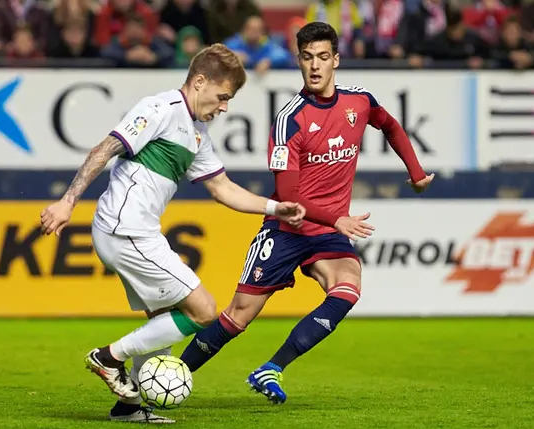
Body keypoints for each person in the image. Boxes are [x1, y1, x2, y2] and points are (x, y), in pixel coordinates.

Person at [39, 43, 306, 423]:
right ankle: (108, 358)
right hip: (125, 229)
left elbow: (223, 189)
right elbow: (103, 149)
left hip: (136, 231)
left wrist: (275, 208)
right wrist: (67, 202)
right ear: (199, 82)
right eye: (222, 96)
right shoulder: (159, 108)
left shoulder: (196, 134)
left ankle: (129, 407)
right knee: (204, 311)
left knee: (163, 319)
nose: (224, 107)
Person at [178, 22, 434, 404]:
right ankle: (172, 374)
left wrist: (415, 173)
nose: (315, 66)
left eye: (323, 57)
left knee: (348, 288)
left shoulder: (359, 102)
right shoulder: (289, 121)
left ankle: (272, 367)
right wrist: (337, 219)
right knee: (238, 317)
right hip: (286, 230)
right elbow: (288, 197)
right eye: (308, 57)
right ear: (298, 60)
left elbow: (390, 126)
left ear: (336, 60)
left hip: (326, 233)